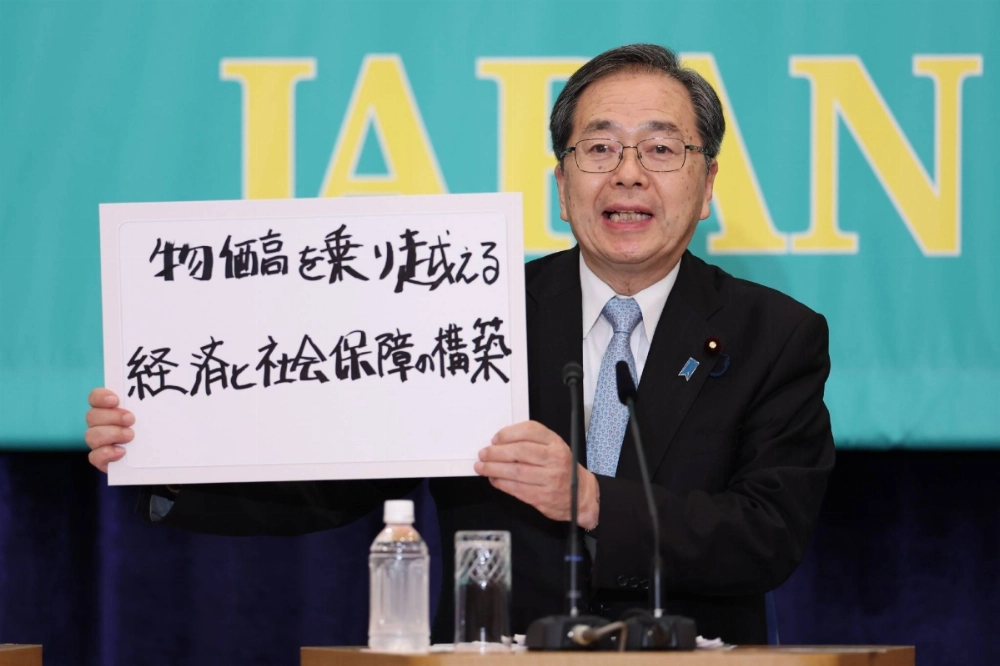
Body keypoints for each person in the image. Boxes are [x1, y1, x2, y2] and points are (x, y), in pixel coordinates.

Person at [85, 43, 834, 644]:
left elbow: (767, 534)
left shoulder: (773, 334)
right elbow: (331, 479)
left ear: (706, 186)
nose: (628, 173)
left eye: (662, 150)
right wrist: (166, 453)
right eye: (599, 148)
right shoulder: (475, 311)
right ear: (562, 182)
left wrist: (595, 499)